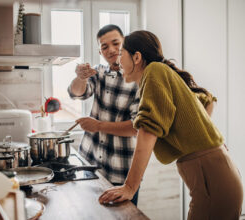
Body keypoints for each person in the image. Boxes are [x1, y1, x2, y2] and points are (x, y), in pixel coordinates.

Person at [98, 30, 243, 219]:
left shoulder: (154, 71)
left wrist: (130, 187)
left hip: (211, 177)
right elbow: (207, 100)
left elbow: (148, 129)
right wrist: (204, 139)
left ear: (136, 57)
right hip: (216, 174)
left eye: (121, 54)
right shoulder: (161, 74)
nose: (118, 61)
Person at [68, 25, 140, 205]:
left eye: (116, 43)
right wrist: (80, 77)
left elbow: (135, 128)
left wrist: (98, 126)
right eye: (104, 46)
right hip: (89, 164)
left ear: (126, 44)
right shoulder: (98, 72)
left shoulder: (138, 80)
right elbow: (77, 93)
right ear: (100, 52)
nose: (111, 50)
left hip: (121, 171)